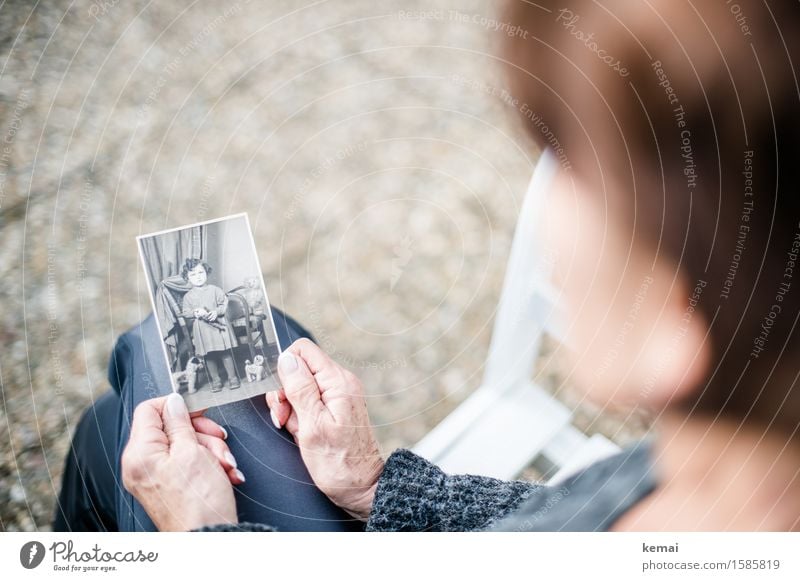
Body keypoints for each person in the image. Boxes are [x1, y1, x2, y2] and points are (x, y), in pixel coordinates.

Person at [59, 0, 800, 531]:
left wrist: (206, 545)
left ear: (674, 319)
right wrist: (378, 485)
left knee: (151, 364)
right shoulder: (737, 478)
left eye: (568, 169)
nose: (541, 213)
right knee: (113, 434)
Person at [180, 259, 240, 392]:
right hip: (203, 329)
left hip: (219, 327)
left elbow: (223, 304)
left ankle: (233, 377)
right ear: (187, 278)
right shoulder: (188, 297)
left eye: (201, 272)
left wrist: (216, 312)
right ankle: (216, 380)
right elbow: (186, 312)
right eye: (193, 274)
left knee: (225, 352)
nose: (198, 277)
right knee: (209, 356)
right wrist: (195, 312)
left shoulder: (215, 290)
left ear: (206, 273)